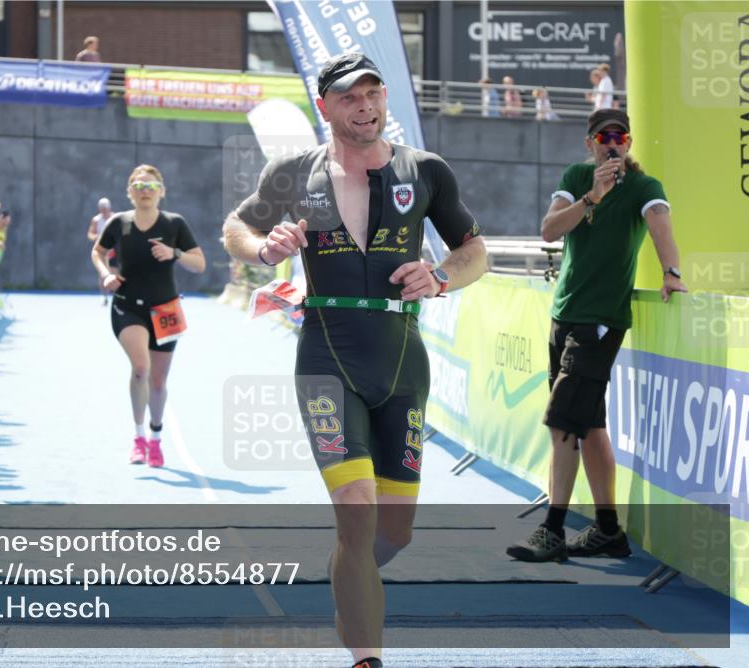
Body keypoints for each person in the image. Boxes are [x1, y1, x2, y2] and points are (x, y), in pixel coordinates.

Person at [222, 52, 487, 668]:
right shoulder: (293, 172)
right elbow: (237, 226)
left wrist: (442, 277)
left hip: (402, 364)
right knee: (358, 515)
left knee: (391, 532)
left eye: (373, 93)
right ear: (325, 107)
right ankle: (367, 656)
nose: (365, 106)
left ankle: (350, 570)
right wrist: (265, 249)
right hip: (326, 357)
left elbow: (475, 250)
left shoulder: (426, 171)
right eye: (349, 97)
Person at [506, 108, 687, 563]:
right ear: (589, 143)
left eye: (620, 138)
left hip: (599, 322)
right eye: (603, 137)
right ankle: (608, 530)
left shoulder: (644, 187)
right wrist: (592, 197)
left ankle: (552, 530)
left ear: (629, 144)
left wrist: (672, 272)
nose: (612, 144)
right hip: (564, 315)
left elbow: (660, 222)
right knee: (589, 426)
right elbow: (548, 231)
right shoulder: (577, 178)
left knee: (563, 424)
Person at [91, 165, 206, 468]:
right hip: (128, 305)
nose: (145, 190)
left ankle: (156, 437)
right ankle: (138, 437)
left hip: (165, 310)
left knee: (157, 380)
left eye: (152, 186)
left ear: (162, 192)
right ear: (130, 191)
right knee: (140, 367)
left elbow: (199, 264)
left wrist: (175, 254)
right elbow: (97, 252)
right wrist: (105, 275)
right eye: (139, 185)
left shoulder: (175, 224)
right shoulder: (118, 223)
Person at [87, 197, 116, 304]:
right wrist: (98, 237)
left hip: (114, 250)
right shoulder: (96, 220)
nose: (104, 210)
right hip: (102, 250)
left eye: (106, 208)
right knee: (103, 273)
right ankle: (104, 296)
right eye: (102, 208)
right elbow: (90, 234)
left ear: (109, 208)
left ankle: (116, 295)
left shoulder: (115, 218)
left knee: (115, 272)